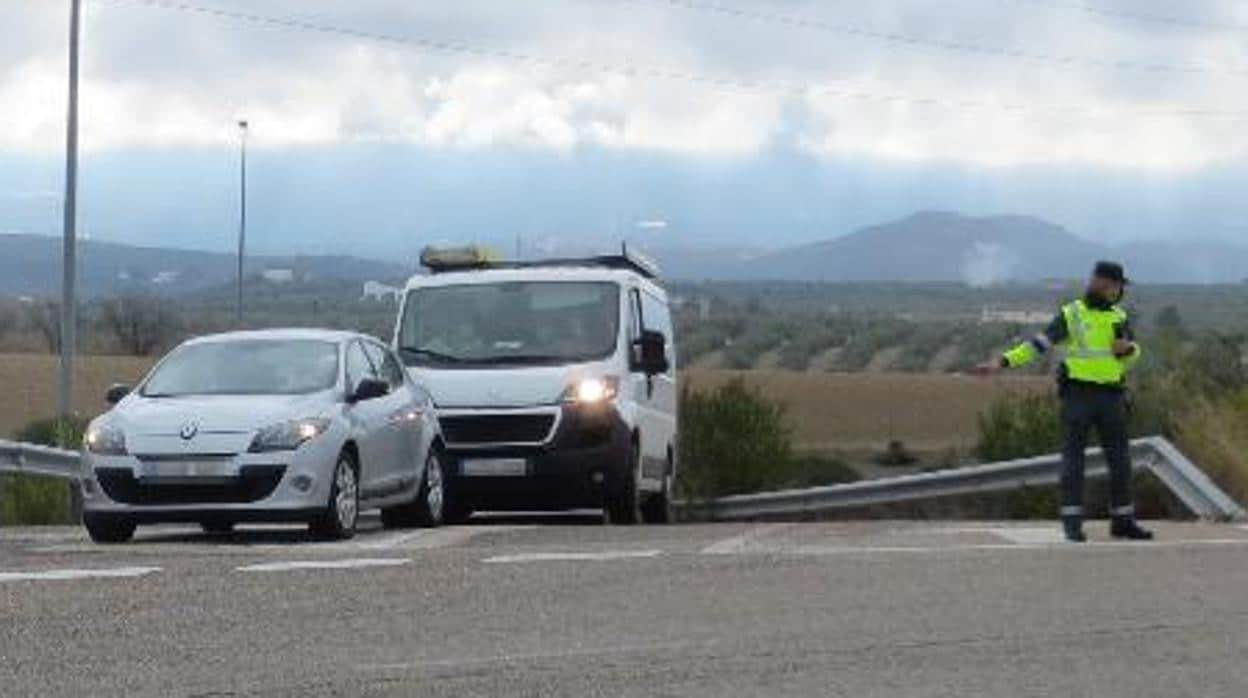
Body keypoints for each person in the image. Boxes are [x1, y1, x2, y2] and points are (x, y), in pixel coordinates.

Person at [976, 261, 1153, 543]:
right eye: (1117, 286)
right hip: (1079, 396)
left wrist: (1129, 349)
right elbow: (1039, 345)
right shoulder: (1072, 314)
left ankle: (1123, 521)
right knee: (1074, 461)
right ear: (1108, 285)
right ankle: (1072, 522)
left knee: (1120, 461)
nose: (1118, 292)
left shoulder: (1118, 317)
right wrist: (1003, 361)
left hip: (1111, 396)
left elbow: (1130, 355)